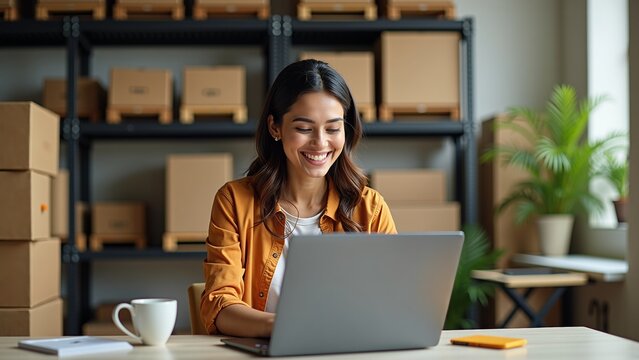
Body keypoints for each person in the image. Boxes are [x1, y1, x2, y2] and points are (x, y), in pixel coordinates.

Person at [200, 59, 397, 337]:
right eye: (304, 128)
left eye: (332, 128)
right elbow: (220, 304)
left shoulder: (370, 208)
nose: (320, 143)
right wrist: (288, 326)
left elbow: (393, 300)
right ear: (275, 127)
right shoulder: (234, 201)